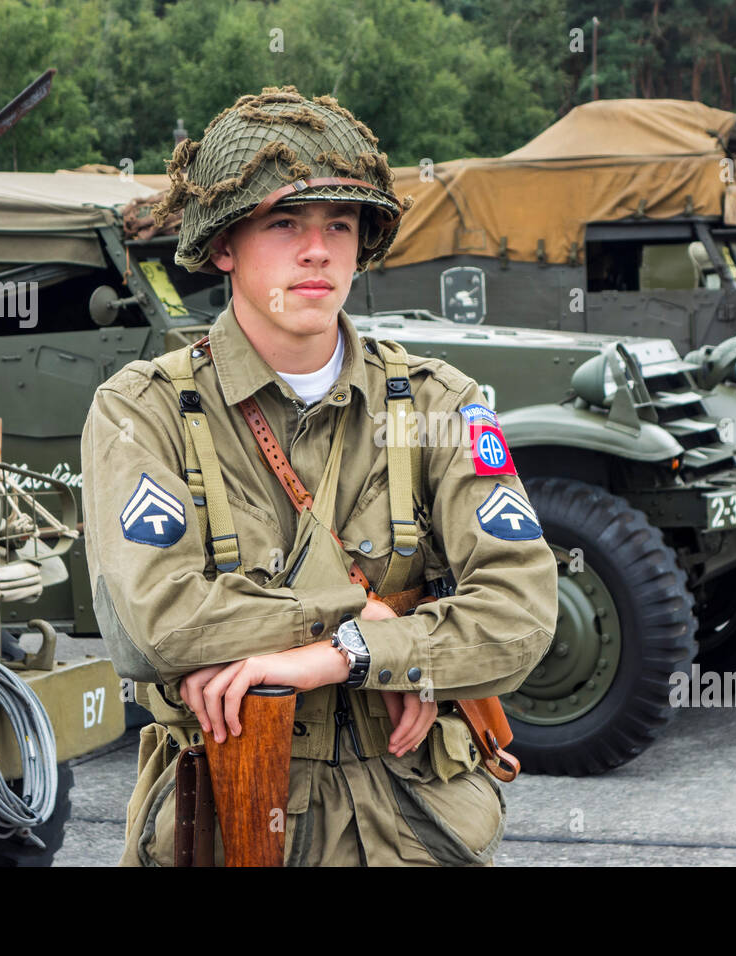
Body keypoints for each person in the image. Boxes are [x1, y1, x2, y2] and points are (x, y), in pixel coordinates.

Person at [81, 85, 557, 866]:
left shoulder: (442, 403)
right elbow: (155, 622)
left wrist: (347, 656)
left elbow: (522, 610)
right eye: (284, 223)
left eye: (340, 224)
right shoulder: (145, 410)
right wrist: (364, 616)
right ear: (224, 245)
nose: (318, 250)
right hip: (233, 817)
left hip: (415, 822)